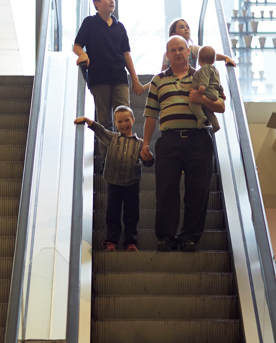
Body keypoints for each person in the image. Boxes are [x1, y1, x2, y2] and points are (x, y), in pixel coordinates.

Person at [143, 36, 226, 252]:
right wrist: (145, 144)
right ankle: (166, 237)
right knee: (166, 190)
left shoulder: (204, 74)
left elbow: (220, 106)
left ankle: (189, 237)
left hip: (198, 139)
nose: (178, 53)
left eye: (182, 49)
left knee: (198, 191)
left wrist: (203, 101)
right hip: (168, 142)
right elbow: (151, 115)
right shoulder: (158, 80)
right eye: (173, 50)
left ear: (189, 51)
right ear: (167, 54)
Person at [72, 0, 145, 162]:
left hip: (120, 78)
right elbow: (76, 45)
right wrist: (83, 54)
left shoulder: (120, 27)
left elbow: (126, 54)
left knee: (125, 116)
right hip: (99, 79)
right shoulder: (89, 23)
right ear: (97, 3)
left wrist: (135, 80)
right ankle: (107, 159)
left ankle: (128, 156)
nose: (112, 0)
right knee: (104, 120)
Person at [75, 105, 153, 252]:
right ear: (115, 123)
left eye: (127, 120)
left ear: (133, 120)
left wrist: (149, 158)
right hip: (114, 183)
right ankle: (112, 241)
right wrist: (87, 120)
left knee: (132, 214)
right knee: (113, 213)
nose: (124, 124)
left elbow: (148, 162)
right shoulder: (112, 138)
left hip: (132, 184)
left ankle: (131, 242)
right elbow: (100, 130)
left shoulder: (140, 143)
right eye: (120, 121)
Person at [161, 17, 236, 69]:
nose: (186, 29)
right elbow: (163, 73)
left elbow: (209, 54)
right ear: (173, 34)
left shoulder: (193, 49)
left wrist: (225, 58)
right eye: (182, 27)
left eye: (187, 27)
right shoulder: (167, 55)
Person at [188, 46, 222, 133]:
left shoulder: (204, 68)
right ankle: (215, 124)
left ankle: (201, 118)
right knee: (207, 109)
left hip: (207, 91)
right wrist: (220, 92)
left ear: (199, 60)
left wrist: (202, 88)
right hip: (214, 93)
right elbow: (218, 83)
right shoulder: (215, 70)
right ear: (214, 61)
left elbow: (204, 79)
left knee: (192, 103)